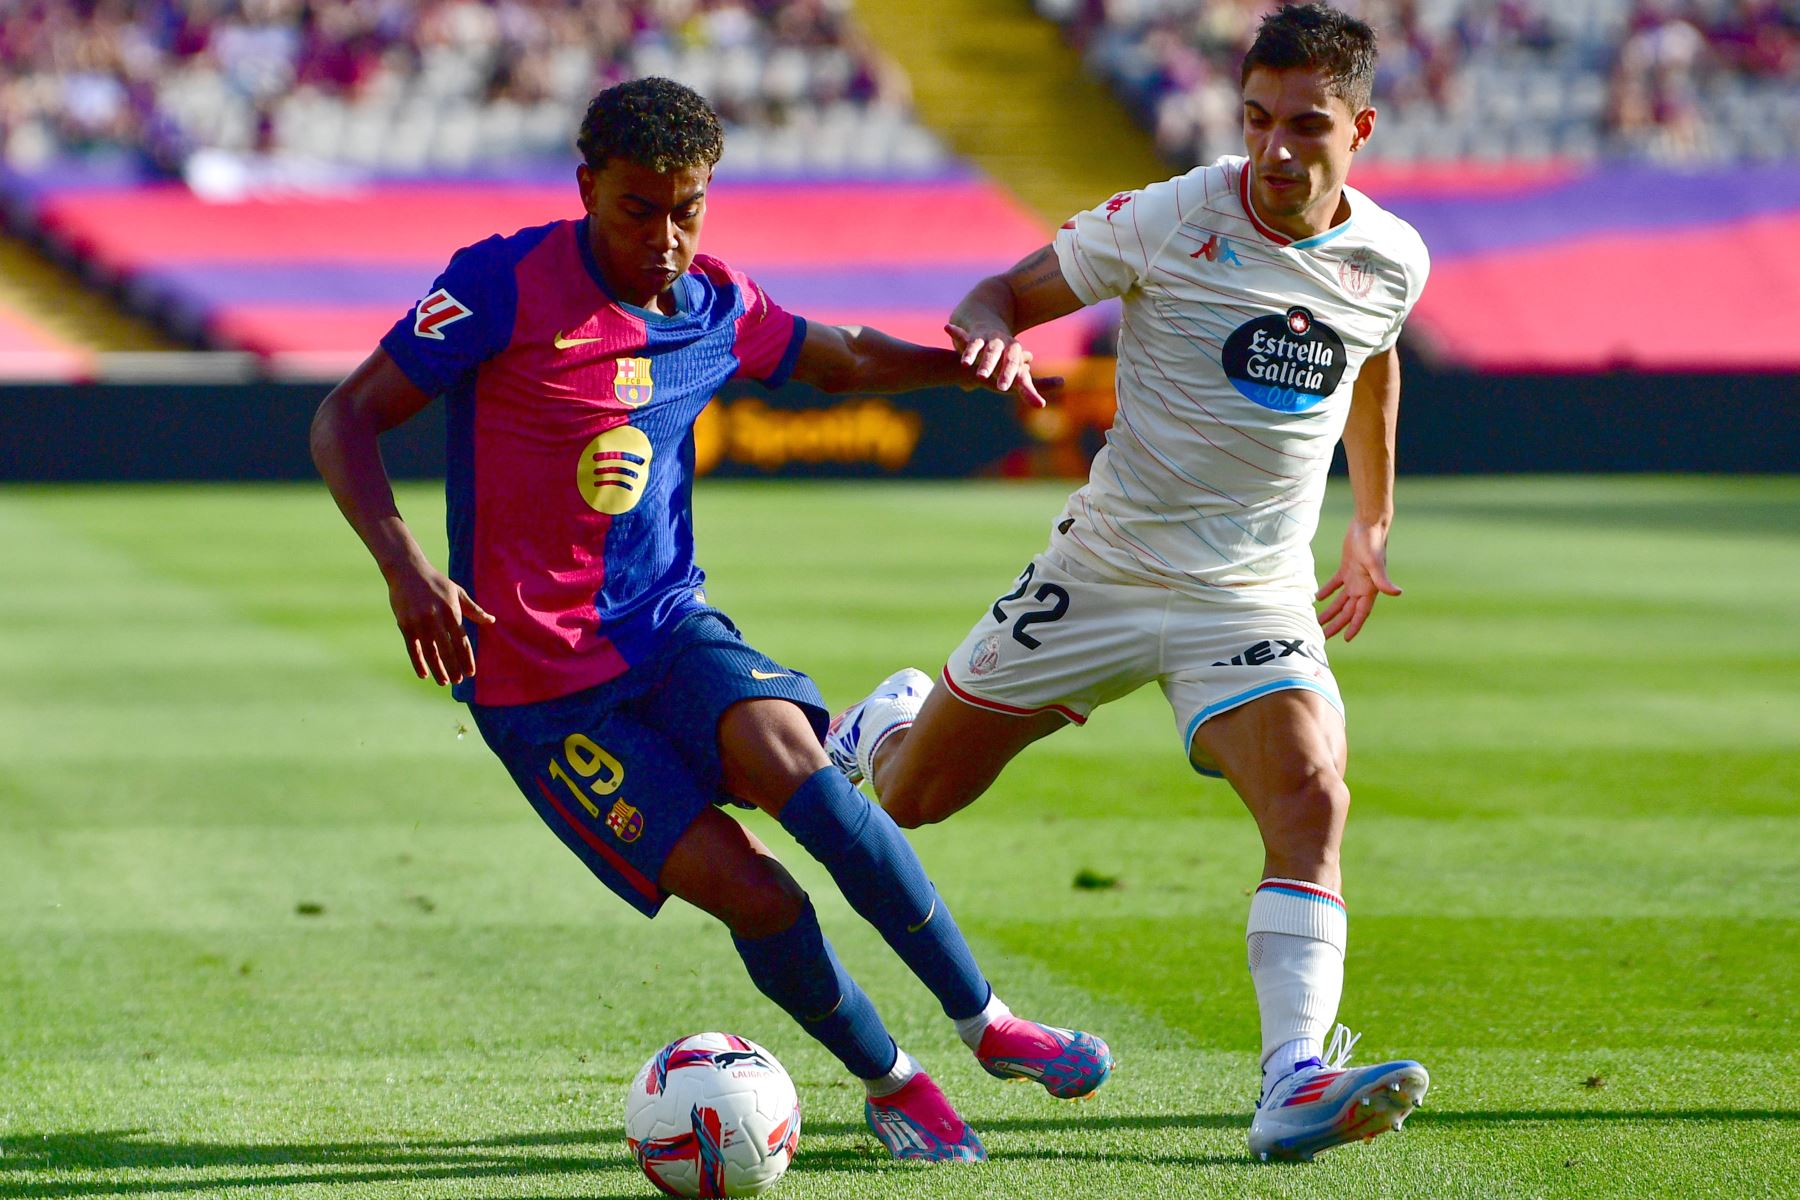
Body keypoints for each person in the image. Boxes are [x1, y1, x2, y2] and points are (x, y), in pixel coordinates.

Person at [309, 76, 1111, 1166]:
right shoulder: (499, 285)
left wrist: (964, 367)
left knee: (812, 789)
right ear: (587, 187)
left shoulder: (712, 301)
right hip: (539, 692)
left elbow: (837, 358)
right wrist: (405, 568)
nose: (669, 236)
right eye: (641, 208)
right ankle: (893, 1084)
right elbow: (345, 416)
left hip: (668, 626)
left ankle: (991, 1023)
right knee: (759, 893)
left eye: (690, 207)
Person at [827, 3, 1430, 1163]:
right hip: (1101, 572)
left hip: (1249, 596)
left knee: (1313, 797)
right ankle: (887, 722)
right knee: (909, 802)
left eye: (1307, 126)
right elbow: (998, 294)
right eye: (1256, 119)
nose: (1276, 150)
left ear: (1361, 129)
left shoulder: (1390, 256)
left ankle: (1295, 1076)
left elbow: (1376, 358)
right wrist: (992, 335)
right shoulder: (1173, 215)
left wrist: (1373, 521)